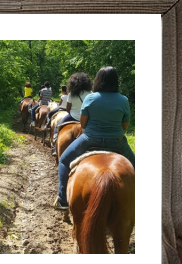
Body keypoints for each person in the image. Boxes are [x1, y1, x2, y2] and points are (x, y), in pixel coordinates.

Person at [54, 66, 135, 210]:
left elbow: (83, 123)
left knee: (64, 161)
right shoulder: (123, 100)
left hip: (89, 139)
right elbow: (124, 125)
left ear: (98, 80)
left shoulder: (91, 98)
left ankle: (63, 200)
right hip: (118, 142)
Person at [51, 73, 92, 155]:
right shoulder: (91, 93)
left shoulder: (71, 93)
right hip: (87, 119)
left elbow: (68, 109)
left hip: (72, 117)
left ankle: (54, 147)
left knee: (57, 127)